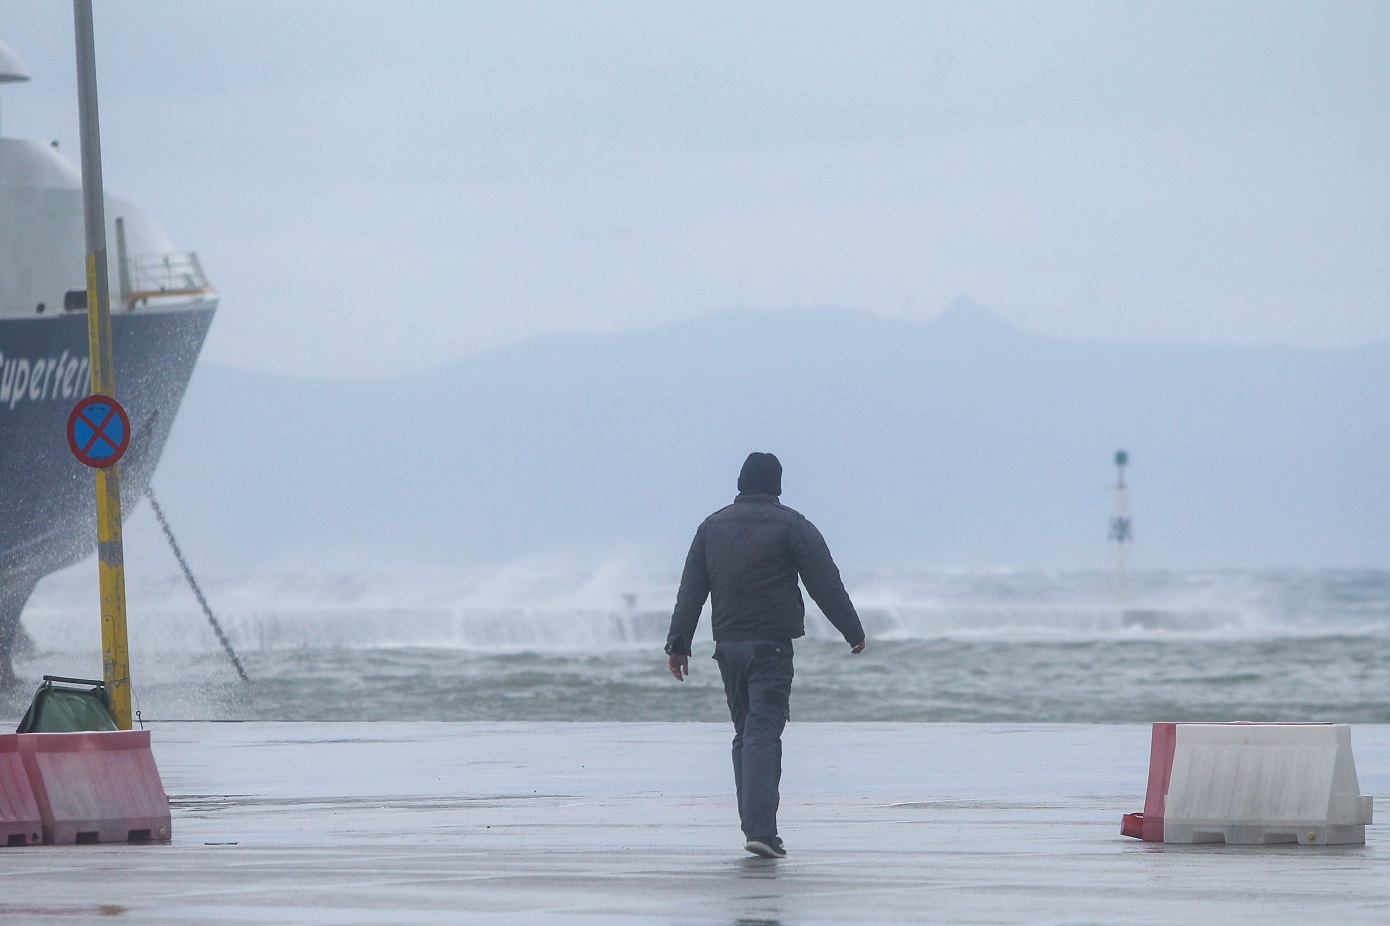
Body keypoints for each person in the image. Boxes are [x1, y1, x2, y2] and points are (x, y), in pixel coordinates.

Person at [665, 452, 866, 859]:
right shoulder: (792, 524)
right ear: (776, 485)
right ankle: (760, 830)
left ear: (740, 483)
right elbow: (825, 581)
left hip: (728, 648)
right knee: (762, 731)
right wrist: (853, 629)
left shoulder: (711, 526)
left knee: (746, 732)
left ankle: (755, 827)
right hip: (770, 646)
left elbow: (691, 590)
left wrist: (678, 643)